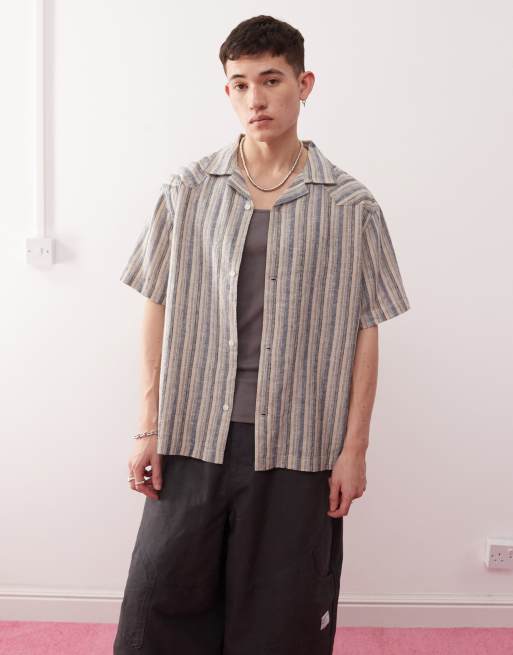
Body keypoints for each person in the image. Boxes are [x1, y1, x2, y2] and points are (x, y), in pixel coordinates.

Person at [113, 14, 411, 655]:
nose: (256, 99)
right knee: (160, 608)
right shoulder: (187, 192)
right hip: (193, 432)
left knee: (282, 620)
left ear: (304, 85)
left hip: (301, 442)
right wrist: (147, 425)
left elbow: (367, 329)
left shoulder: (351, 205)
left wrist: (355, 449)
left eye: (271, 80)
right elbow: (155, 304)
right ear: (227, 90)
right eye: (241, 84)